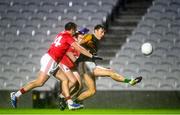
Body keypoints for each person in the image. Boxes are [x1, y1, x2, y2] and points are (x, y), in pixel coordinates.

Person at [10, 22, 99, 110]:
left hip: (53, 60)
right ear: (72, 29)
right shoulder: (68, 37)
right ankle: (16, 95)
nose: (75, 31)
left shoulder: (61, 33)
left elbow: (72, 40)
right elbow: (78, 48)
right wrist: (91, 56)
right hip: (51, 59)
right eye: (74, 29)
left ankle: (70, 103)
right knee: (39, 82)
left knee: (65, 80)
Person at [74, 24, 142, 104]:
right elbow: (78, 43)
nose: (103, 34)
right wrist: (80, 38)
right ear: (95, 31)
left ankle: (73, 103)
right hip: (84, 65)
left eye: (104, 32)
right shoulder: (90, 36)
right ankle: (130, 81)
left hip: (88, 65)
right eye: (101, 32)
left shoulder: (95, 41)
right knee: (110, 72)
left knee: (92, 91)